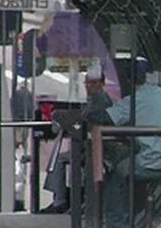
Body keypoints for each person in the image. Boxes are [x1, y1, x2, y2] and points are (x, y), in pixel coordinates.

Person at [102, 57, 161, 228]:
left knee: (118, 173)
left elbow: (107, 119)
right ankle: (139, 216)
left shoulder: (133, 100)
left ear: (128, 79)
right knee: (132, 167)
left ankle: (115, 226)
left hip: (152, 161)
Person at [41, 64, 113, 214]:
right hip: (89, 146)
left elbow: (90, 119)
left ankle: (60, 201)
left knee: (61, 159)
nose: (89, 86)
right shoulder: (93, 99)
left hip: (98, 148)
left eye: (94, 83)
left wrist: (67, 118)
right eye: (87, 83)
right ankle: (62, 200)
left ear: (102, 84)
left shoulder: (101, 100)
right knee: (63, 158)